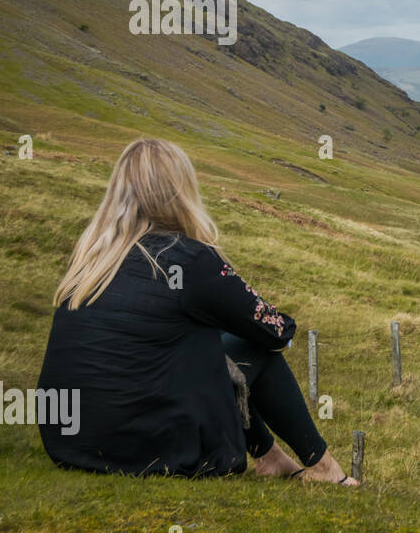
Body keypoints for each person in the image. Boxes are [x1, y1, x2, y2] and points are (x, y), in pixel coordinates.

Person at [37, 137, 358, 486]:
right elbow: (274, 330)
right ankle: (324, 467)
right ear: (180, 192)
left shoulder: (91, 259)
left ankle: (270, 457)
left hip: (69, 441)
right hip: (152, 450)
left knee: (196, 343)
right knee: (245, 346)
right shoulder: (189, 258)